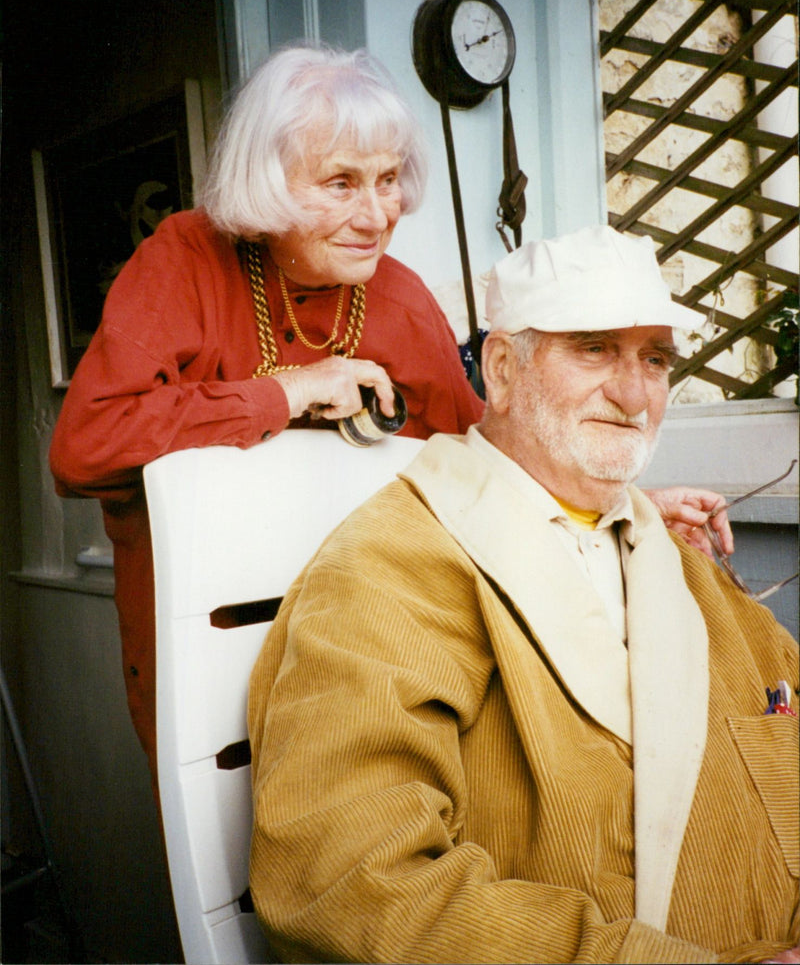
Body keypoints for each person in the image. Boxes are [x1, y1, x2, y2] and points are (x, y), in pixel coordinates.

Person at [50, 45, 731, 786]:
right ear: (267, 180)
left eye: (386, 181)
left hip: (372, 648)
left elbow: (490, 463)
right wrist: (289, 391)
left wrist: (634, 509)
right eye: (340, 183)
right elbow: (84, 446)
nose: (375, 215)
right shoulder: (185, 258)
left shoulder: (400, 297)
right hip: (204, 645)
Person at [248, 225, 798, 965]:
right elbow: (347, 880)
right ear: (502, 368)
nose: (635, 394)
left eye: (656, 358)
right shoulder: (386, 570)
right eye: (595, 348)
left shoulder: (680, 562)